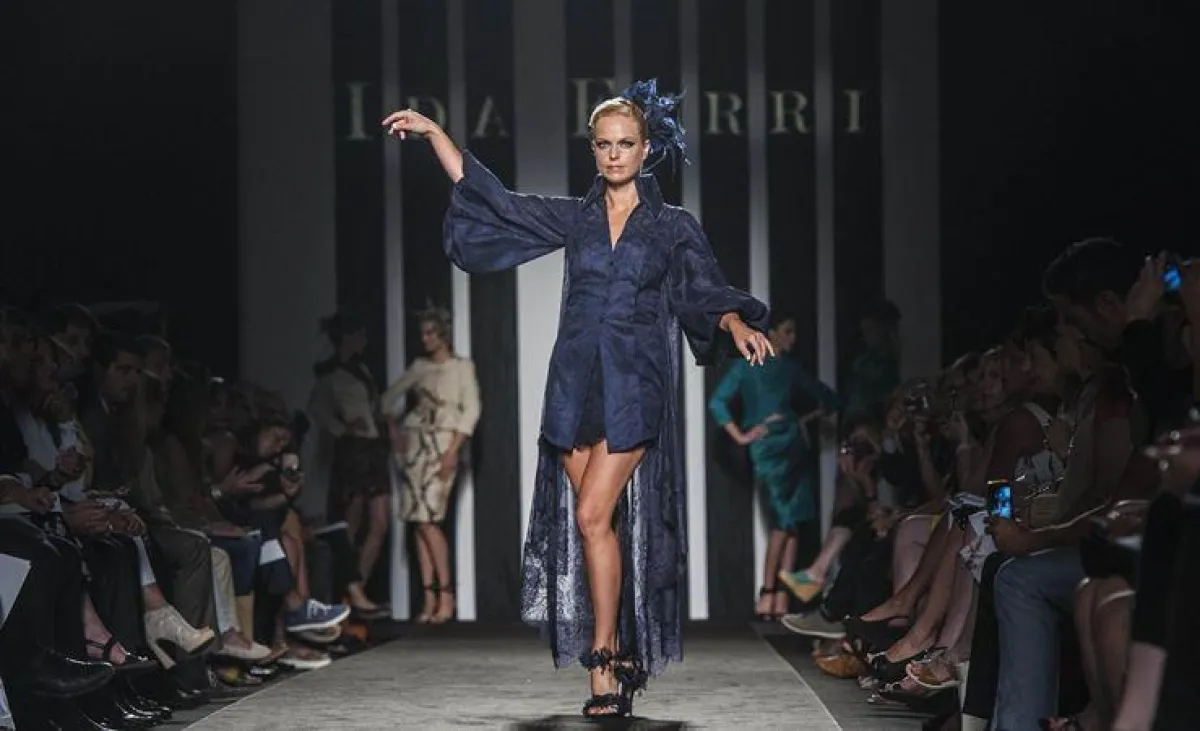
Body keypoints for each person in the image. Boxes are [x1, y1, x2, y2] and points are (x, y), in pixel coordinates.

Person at [383, 78, 773, 718]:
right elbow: (495, 200)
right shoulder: (576, 218)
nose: (615, 154)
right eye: (604, 144)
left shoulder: (672, 226)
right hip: (573, 385)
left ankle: (603, 658)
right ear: (593, 149)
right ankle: (613, 653)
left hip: (635, 386)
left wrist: (734, 324)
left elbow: (702, 290)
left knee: (592, 517)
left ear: (646, 149)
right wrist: (433, 134)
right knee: (599, 528)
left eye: (626, 144)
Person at [708, 311, 838, 620]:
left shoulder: (789, 368)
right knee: (783, 521)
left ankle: (781, 596)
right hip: (768, 451)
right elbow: (717, 402)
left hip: (793, 448)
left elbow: (829, 398)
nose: (794, 338)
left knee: (793, 520)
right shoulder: (748, 366)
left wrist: (800, 421)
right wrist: (741, 436)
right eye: (788, 331)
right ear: (772, 332)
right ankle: (768, 593)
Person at [380, 303, 480, 624]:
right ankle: (429, 599)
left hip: (443, 446)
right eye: (422, 333)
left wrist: (453, 451)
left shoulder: (462, 368)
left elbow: (472, 411)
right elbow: (387, 399)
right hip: (415, 447)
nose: (425, 339)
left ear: (444, 334)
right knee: (417, 520)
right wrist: (395, 432)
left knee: (429, 520)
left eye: (430, 333)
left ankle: (446, 596)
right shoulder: (420, 367)